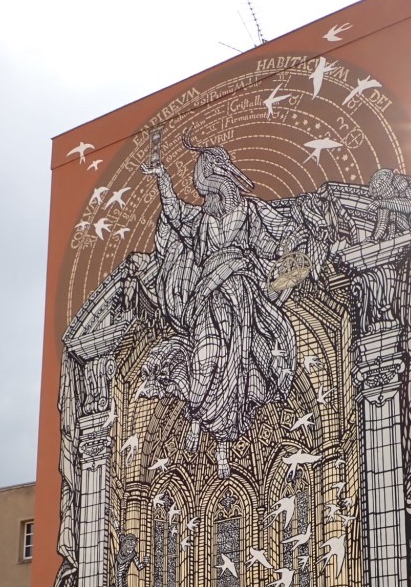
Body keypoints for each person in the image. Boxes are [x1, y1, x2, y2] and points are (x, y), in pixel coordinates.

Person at [139, 133, 329, 478]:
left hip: (243, 298)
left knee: (239, 372)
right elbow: (175, 213)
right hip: (208, 299)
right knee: (205, 359)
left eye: (219, 173)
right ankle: (198, 417)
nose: (217, 183)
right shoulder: (202, 219)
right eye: (213, 175)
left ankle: (222, 445)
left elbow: (277, 238)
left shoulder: (250, 211)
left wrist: (295, 242)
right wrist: (162, 177)